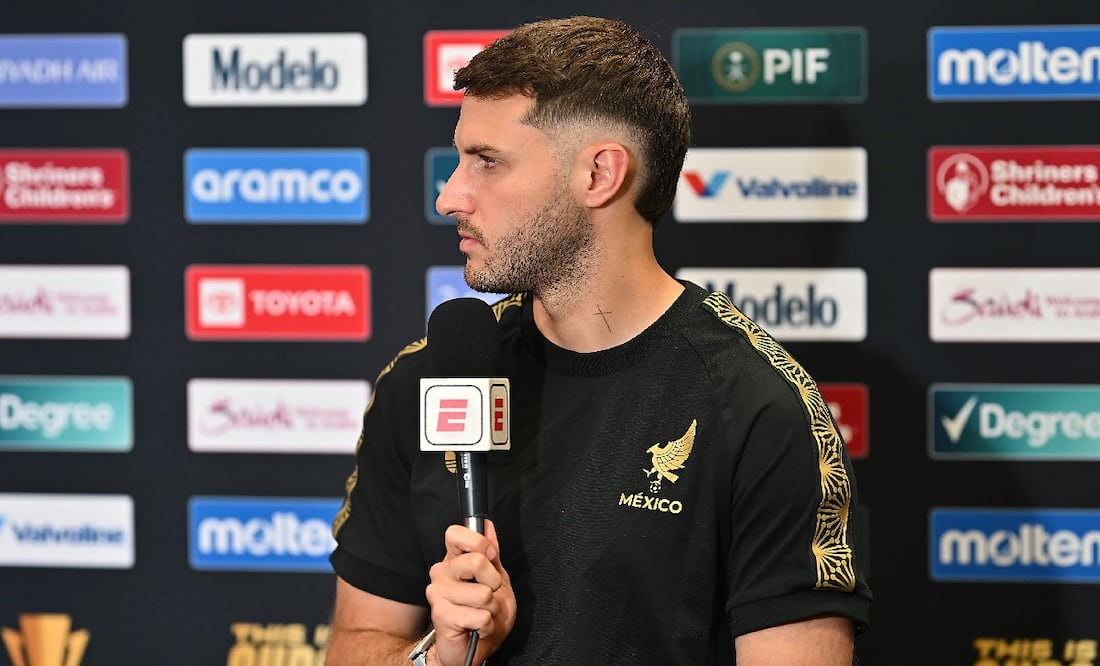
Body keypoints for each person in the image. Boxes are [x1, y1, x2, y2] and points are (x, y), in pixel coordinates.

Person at [325, 15, 871, 665]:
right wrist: (437, 658)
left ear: (599, 175)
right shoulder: (426, 380)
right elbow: (357, 647)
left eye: (486, 163)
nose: (450, 196)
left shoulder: (757, 408)